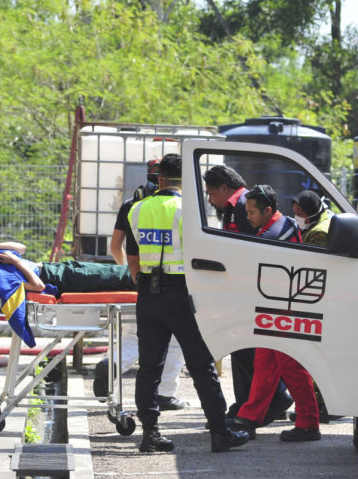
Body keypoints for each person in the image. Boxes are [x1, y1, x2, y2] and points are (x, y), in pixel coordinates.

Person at [126, 154, 249, 453]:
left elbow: (132, 258)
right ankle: (220, 433)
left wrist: (143, 284)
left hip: (148, 293)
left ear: (160, 178)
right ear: (185, 180)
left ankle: (150, 435)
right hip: (182, 294)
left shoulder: (137, 210)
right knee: (201, 364)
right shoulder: (188, 211)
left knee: (149, 368)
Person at [202, 166, 293, 422]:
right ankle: (249, 401)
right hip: (243, 289)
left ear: (224, 188)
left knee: (246, 348)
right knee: (242, 347)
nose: (210, 200)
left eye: (211, 193)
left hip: (252, 290)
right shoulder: (235, 206)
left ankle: (271, 398)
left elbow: (253, 249)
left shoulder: (243, 205)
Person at [231, 184, 321, 442]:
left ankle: (309, 423)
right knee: (265, 362)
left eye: (251, 212)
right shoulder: (285, 224)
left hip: (285, 308)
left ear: (267, 210)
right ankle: (250, 416)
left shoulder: (271, 235)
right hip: (278, 306)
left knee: (290, 366)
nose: (247, 217)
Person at [106, 157, 187, 411]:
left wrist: (128, 275)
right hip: (174, 283)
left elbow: (116, 247)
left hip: (138, 281)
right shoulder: (182, 207)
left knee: (134, 337)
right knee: (174, 342)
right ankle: (165, 393)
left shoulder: (133, 205)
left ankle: (113, 363)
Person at [0, 242, 136, 348]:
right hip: (57, 279)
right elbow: (37, 286)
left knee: (111, 272)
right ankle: (146, 277)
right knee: (114, 277)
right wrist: (15, 262)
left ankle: (143, 276)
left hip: (57, 268)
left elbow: (21, 248)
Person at [288, 190, 340, 424]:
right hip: (331, 300)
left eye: (300, 214)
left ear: (311, 212)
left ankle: (322, 406)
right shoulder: (323, 220)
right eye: (295, 213)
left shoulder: (317, 234)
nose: (297, 218)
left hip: (324, 302)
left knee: (317, 357)